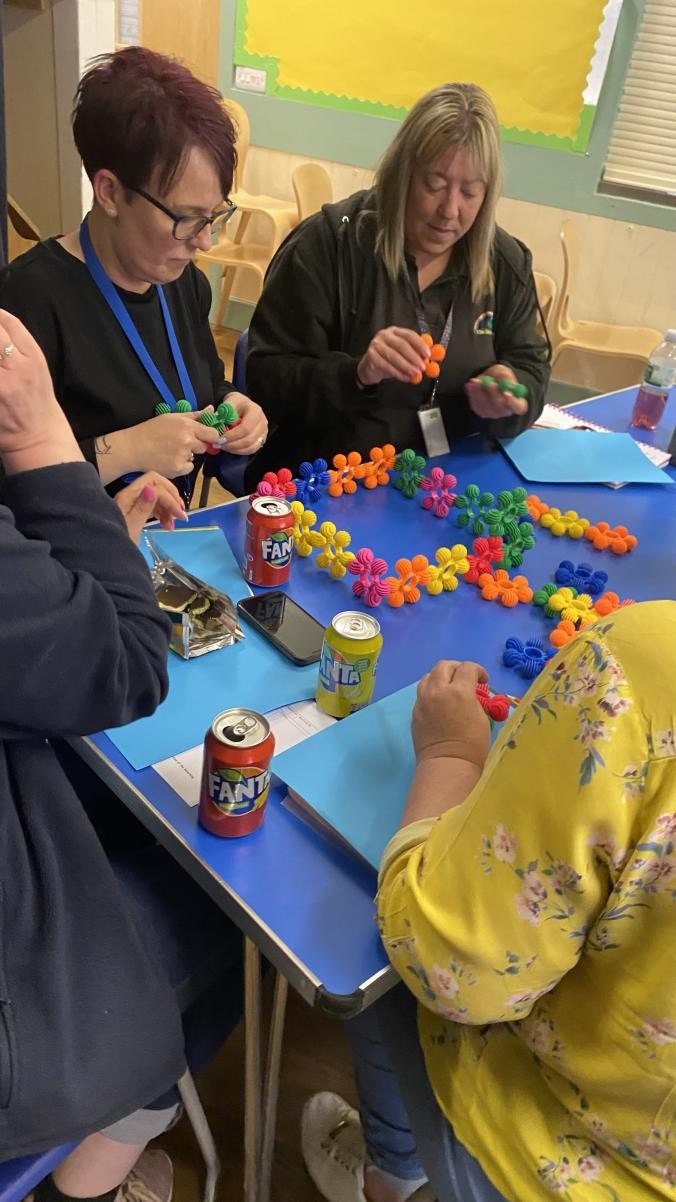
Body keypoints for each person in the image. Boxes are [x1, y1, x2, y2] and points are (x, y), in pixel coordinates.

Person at [302, 609, 676, 1201]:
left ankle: (392, 1175)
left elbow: (447, 966)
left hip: (573, 1157)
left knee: (370, 934)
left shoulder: (639, 666)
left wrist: (449, 756)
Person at [0, 310, 244, 1202]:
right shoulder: (43, 293)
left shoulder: (183, 296)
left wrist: (83, 547)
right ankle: (85, 1182)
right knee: (231, 910)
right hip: (17, 1022)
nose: (198, 246)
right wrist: (44, 441)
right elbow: (128, 669)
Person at [245, 83, 550, 485]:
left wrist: (511, 392)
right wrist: (357, 374)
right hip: (326, 482)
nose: (450, 210)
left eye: (470, 192)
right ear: (402, 174)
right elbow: (267, 381)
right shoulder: (326, 246)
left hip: (445, 483)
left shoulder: (506, 263)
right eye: (434, 185)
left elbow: (532, 371)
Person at [0, 47, 268, 502]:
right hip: (76, 542)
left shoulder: (184, 283)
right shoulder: (27, 303)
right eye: (186, 218)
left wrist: (232, 404)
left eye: (213, 216)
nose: (206, 242)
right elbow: (8, 485)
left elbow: (204, 383)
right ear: (109, 192)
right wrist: (125, 450)